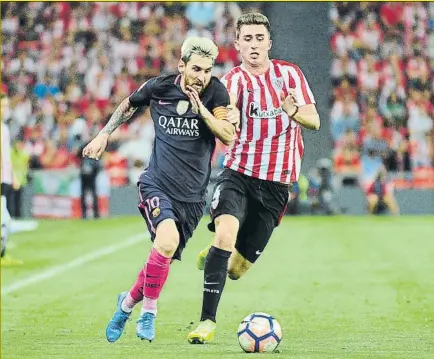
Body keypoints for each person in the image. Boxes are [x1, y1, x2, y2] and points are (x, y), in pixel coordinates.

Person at [82, 37, 239, 343]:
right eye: (196, 68)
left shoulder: (216, 92)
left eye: (207, 70)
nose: (202, 76)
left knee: (162, 255)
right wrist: (103, 135)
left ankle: (126, 304)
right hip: (157, 183)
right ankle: (149, 312)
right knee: (166, 241)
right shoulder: (160, 87)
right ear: (182, 66)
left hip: (193, 198)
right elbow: (128, 106)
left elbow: (228, 135)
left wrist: (202, 111)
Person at [187, 13, 320, 344]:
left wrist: (292, 112)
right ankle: (206, 321)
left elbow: (314, 121)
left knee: (236, 269)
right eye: (247, 39)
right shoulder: (231, 82)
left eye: (259, 38)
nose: (254, 45)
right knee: (226, 235)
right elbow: (225, 118)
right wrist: (228, 115)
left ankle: (220, 253)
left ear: (269, 43)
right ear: (237, 45)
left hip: (277, 185)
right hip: (239, 175)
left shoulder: (290, 75)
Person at [1, 95, 23, 266]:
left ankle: (3, 254)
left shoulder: (5, 128)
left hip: (6, 178)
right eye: (3, 106)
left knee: (5, 219)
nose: (5, 109)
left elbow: (6, 157)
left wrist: (12, 175)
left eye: (7, 106)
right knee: (4, 219)